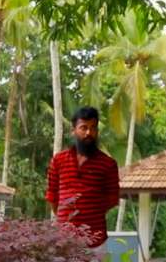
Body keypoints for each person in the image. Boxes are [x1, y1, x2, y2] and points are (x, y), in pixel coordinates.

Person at [45, 106, 119, 258]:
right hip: (64, 240)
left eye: (93, 128)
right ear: (74, 130)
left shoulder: (108, 164)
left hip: (96, 243)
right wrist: (67, 217)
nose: (88, 133)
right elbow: (52, 196)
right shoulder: (58, 160)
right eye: (83, 128)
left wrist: (90, 211)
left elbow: (112, 199)